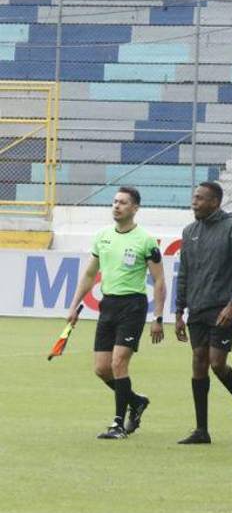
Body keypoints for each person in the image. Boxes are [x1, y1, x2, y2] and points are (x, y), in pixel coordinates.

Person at [65, 187, 165, 439]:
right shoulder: (102, 237)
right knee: (101, 368)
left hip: (133, 305)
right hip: (108, 305)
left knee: (119, 362)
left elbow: (160, 280)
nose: (116, 206)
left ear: (135, 208)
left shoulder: (145, 240)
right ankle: (137, 401)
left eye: (123, 203)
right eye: (114, 202)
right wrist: (74, 305)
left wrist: (158, 317)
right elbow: (90, 274)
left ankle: (118, 424)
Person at [174, 181, 232, 445]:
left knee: (216, 362)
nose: (194, 202)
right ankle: (202, 430)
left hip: (223, 306)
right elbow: (184, 272)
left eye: (199, 198)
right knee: (199, 360)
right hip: (197, 307)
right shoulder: (189, 232)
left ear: (215, 202)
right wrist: (178, 311)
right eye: (194, 197)